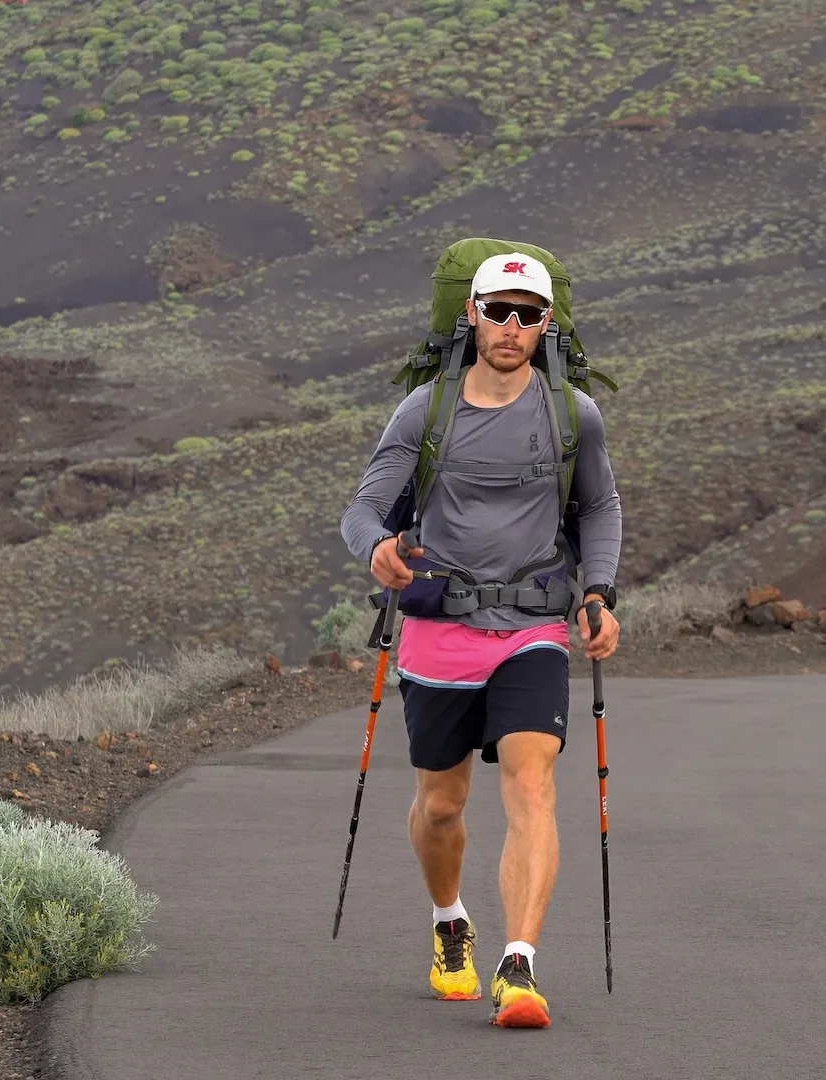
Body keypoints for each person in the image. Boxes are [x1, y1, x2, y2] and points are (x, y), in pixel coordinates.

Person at [339, 251, 622, 1029]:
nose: (511, 327)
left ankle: (519, 965)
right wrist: (377, 549)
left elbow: (599, 508)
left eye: (528, 314)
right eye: (498, 310)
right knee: (440, 805)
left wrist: (597, 592)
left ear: (546, 325)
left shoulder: (573, 416)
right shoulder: (424, 413)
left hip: (533, 626)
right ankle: (449, 922)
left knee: (533, 786)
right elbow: (363, 508)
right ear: (471, 314)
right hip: (439, 630)